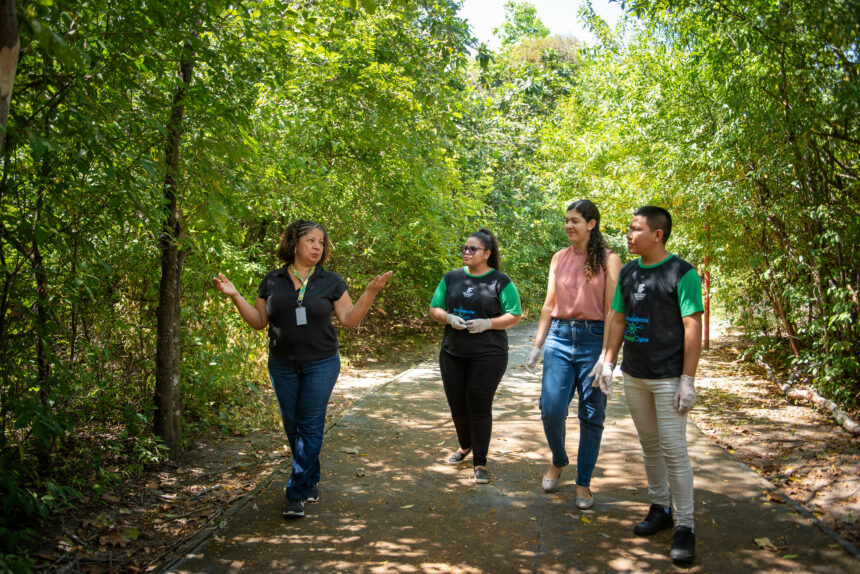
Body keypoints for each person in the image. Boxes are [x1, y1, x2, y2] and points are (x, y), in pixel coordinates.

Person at [212, 219, 392, 519]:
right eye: (311, 240)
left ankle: (295, 493)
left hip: (322, 362)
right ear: (294, 243)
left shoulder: (330, 281)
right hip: (282, 363)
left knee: (309, 425)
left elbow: (348, 319)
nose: (317, 247)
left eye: (321, 242)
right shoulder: (272, 281)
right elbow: (258, 321)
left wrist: (371, 292)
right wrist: (234, 295)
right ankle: (310, 479)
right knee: (293, 426)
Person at [591, 206, 703, 564]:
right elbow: (619, 318)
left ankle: (685, 525)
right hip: (635, 375)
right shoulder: (628, 271)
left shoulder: (681, 273)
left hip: (668, 377)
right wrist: (608, 361)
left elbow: (692, 327)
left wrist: (688, 379)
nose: (629, 234)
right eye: (629, 228)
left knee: (674, 449)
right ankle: (660, 507)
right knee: (649, 445)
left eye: (636, 229)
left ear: (658, 234)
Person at [525, 200, 622, 510]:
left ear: (591, 224)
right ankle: (558, 460)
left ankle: (583, 483)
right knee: (550, 409)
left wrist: (606, 359)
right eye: (566, 220)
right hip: (560, 337)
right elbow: (548, 305)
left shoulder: (610, 260)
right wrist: (537, 346)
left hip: (595, 340)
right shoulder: (559, 258)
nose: (568, 226)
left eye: (575, 221)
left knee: (592, 415)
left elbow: (612, 311)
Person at [429, 228, 522, 484]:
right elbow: (434, 307)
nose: (467, 252)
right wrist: (446, 317)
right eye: (465, 248)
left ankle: (480, 461)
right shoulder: (452, 277)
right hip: (452, 352)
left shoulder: (500, 281)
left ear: (487, 253)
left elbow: (515, 314)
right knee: (457, 404)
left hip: (488, 354)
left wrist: (488, 323)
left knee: (479, 407)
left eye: (473, 249)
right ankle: (465, 445)